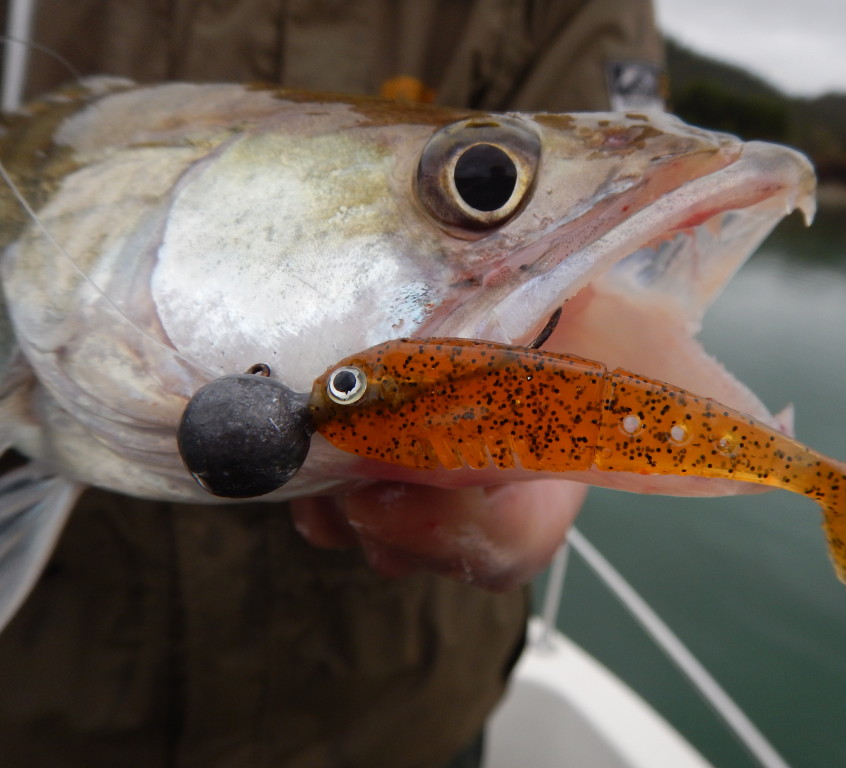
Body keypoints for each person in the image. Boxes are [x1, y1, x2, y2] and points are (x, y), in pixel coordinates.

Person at [0, 2, 665, 766]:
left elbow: (605, 288)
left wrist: (553, 466)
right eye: (482, 185)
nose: (485, 193)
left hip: (397, 719)